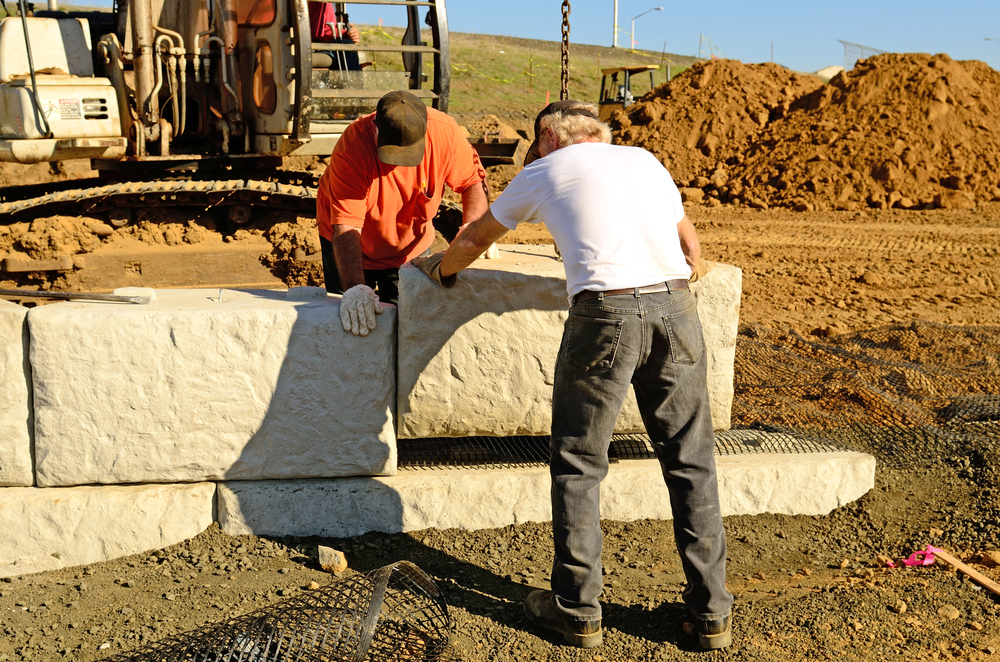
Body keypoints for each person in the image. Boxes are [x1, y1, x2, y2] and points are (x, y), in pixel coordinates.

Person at [412, 101, 733, 650]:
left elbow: (474, 239)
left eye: (536, 144)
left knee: (580, 463)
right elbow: (690, 246)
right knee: (690, 460)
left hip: (605, 317)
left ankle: (577, 611)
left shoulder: (544, 169)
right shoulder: (645, 160)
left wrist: (436, 270)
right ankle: (711, 614)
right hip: (677, 310)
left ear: (547, 138)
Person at [316, 90, 488, 336]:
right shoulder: (352, 149)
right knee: (351, 324)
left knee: (409, 326)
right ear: (375, 127)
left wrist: (474, 229)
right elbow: (347, 227)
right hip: (351, 247)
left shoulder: (444, 133)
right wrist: (355, 289)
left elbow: (473, 181)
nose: (398, 164)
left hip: (410, 248)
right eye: (391, 153)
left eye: (408, 154)